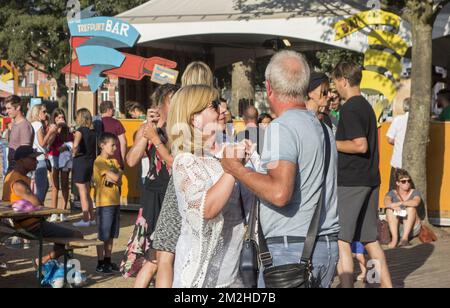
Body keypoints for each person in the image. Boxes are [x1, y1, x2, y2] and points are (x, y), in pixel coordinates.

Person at [221, 50, 340, 288]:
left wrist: (236, 169)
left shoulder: (281, 128)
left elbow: (279, 193)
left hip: (292, 250)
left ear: (269, 87)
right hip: (324, 244)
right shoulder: (323, 128)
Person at [169, 85, 248, 288]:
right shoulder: (185, 161)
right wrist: (234, 168)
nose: (222, 110)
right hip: (199, 280)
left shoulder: (219, 154)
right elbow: (207, 209)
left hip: (232, 274)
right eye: (213, 106)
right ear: (194, 118)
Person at [150, 61, 215, 288]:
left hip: (181, 179)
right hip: (207, 175)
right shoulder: (212, 109)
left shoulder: (179, 105)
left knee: (165, 253)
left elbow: (176, 151)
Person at [331, 61, 393, 288]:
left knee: (342, 239)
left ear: (344, 80)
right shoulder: (366, 106)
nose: (335, 87)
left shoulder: (350, 108)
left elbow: (360, 145)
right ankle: (381, 285)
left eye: (336, 82)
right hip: (370, 179)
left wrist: (332, 142)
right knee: (369, 240)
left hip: (352, 181)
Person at [124, 84, 178, 287]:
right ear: (162, 102)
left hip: (174, 194)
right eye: (172, 99)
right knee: (155, 259)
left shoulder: (179, 127)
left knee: (159, 259)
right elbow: (131, 160)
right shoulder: (149, 128)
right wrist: (148, 129)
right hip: (155, 196)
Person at [2, 146, 83, 266]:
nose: (36, 161)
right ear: (21, 160)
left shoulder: (11, 176)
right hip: (30, 226)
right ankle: (43, 260)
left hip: (21, 224)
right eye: (32, 158)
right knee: (78, 235)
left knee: (62, 237)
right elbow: (39, 206)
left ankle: (47, 262)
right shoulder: (19, 182)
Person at [93, 133, 123, 274]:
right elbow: (116, 176)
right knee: (102, 235)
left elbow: (119, 180)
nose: (115, 148)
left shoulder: (113, 162)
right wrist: (116, 175)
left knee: (111, 235)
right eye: (112, 145)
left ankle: (108, 260)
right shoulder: (99, 161)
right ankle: (100, 263)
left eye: (116, 145)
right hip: (104, 203)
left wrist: (116, 176)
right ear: (102, 145)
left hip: (115, 201)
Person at [384, 169, 422, 248]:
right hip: (396, 228)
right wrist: (393, 206)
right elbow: (386, 202)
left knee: (411, 208)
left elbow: (416, 202)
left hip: (412, 228)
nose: (407, 183)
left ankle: (404, 239)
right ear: (397, 183)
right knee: (389, 209)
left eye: (408, 181)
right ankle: (394, 239)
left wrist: (400, 203)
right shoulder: (392, 193)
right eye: (403, 181)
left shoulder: (414, 192)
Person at [27, 104, 57, 204]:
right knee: (41, 187)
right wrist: (50, 132)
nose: (46, 113)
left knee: (43, 186)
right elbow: (42, 143)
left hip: (36, 157)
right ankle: (38, 211)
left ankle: (38, 208)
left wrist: (53, 133)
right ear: (38, 113)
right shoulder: (38, 124)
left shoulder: (32, 124)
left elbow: (45, 146)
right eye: (43, 112)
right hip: (39, 159)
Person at [47, 109, 73, 222]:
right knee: (55, 186)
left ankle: (63, 211)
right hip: (54, 157)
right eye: (58, 117)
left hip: (65, 159)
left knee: (65, 184)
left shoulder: (68, 130)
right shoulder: (52, 128)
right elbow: (49, 143)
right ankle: (54, 212)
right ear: (54, 119)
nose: (60, 119)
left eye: (62, 117)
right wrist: (56, 128)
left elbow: (72, 144)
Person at [72, 109, 97, 227]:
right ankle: (92, 218)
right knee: (87, 192)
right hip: (90, 162)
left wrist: (73, 152)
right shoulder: (92, 132)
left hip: (80, 162)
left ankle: (85, 219)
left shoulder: (79, 131)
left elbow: (76, 145)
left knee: (82, 192)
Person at [5, 96, 33, 173]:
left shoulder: (24, 125)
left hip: (20, 170)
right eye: (6, 108)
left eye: (9, 108)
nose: (7, 111)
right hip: (12, 168)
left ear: (18, 108)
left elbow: (25, 152)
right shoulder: (14, 124)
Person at [387, 98, 410, 190]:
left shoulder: (398, 119)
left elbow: (390, 139)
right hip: (413, 162)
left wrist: (398, 142)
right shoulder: (420, 122)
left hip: (398, 161)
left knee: (394, 189)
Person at [100, 101, 127, 170]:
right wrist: (123, 159)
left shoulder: (96, 123)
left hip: (100, 159)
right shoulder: (116, 123)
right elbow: (123, 142)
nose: (114, 111)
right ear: (109, 110)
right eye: (113, 109)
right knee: (116, 179)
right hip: (115, 159)